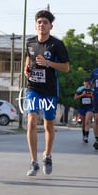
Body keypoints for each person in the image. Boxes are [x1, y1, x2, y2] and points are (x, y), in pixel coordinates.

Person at [24, 10, 70, 176]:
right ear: (36, 25)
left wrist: (48, 63)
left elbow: (66, 67)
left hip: (49, 90)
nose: (41, 25)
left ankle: (47, 156)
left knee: (48, 124)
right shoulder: (30, 43)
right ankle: (33, 162)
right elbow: (28, 59)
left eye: (45, 22)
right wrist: (26, 70)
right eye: (39, 22)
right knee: (31, 121)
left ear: (51, 26)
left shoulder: (56, 45)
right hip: (33, 88)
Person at [74, 78, 94, 143]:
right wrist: (82, 95)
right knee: (83, 124)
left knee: (87, 121)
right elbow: (75, 97)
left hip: (89, 108)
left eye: (88, 82)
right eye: (86, 82)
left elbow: (95, 98)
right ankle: (84, 134)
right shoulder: (80, 89)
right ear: (83, 83)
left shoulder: (92, 89)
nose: (87, 83)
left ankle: (86, 137)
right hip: (82, 107)